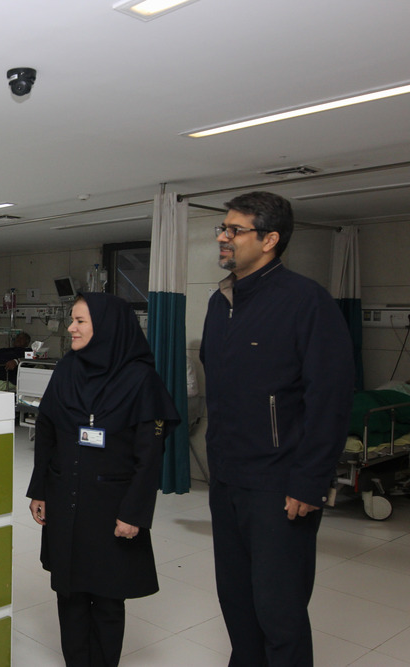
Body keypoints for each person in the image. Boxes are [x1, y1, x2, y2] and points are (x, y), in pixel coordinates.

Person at [201, 191, 354, 666]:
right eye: (223, 228)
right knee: (236, 601)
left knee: (279, 610)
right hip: (227, 479)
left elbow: (329, 399)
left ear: (269, 240)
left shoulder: (306, 302)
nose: (224, 237)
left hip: (280, 484)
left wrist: (309, 481)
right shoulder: (220, 302)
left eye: (235, 230)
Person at [27, 293, 179, 666]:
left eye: (80, 321)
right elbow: (46, 430)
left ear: (107, 327)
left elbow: (149, 457)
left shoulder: (140, 380)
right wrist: (39, 490)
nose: (71, 328)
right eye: (72, 320)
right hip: (66, 497)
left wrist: (134, 513)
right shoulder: (67, 369)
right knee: (69, 593)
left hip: (113, 506)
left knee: (108, 596)